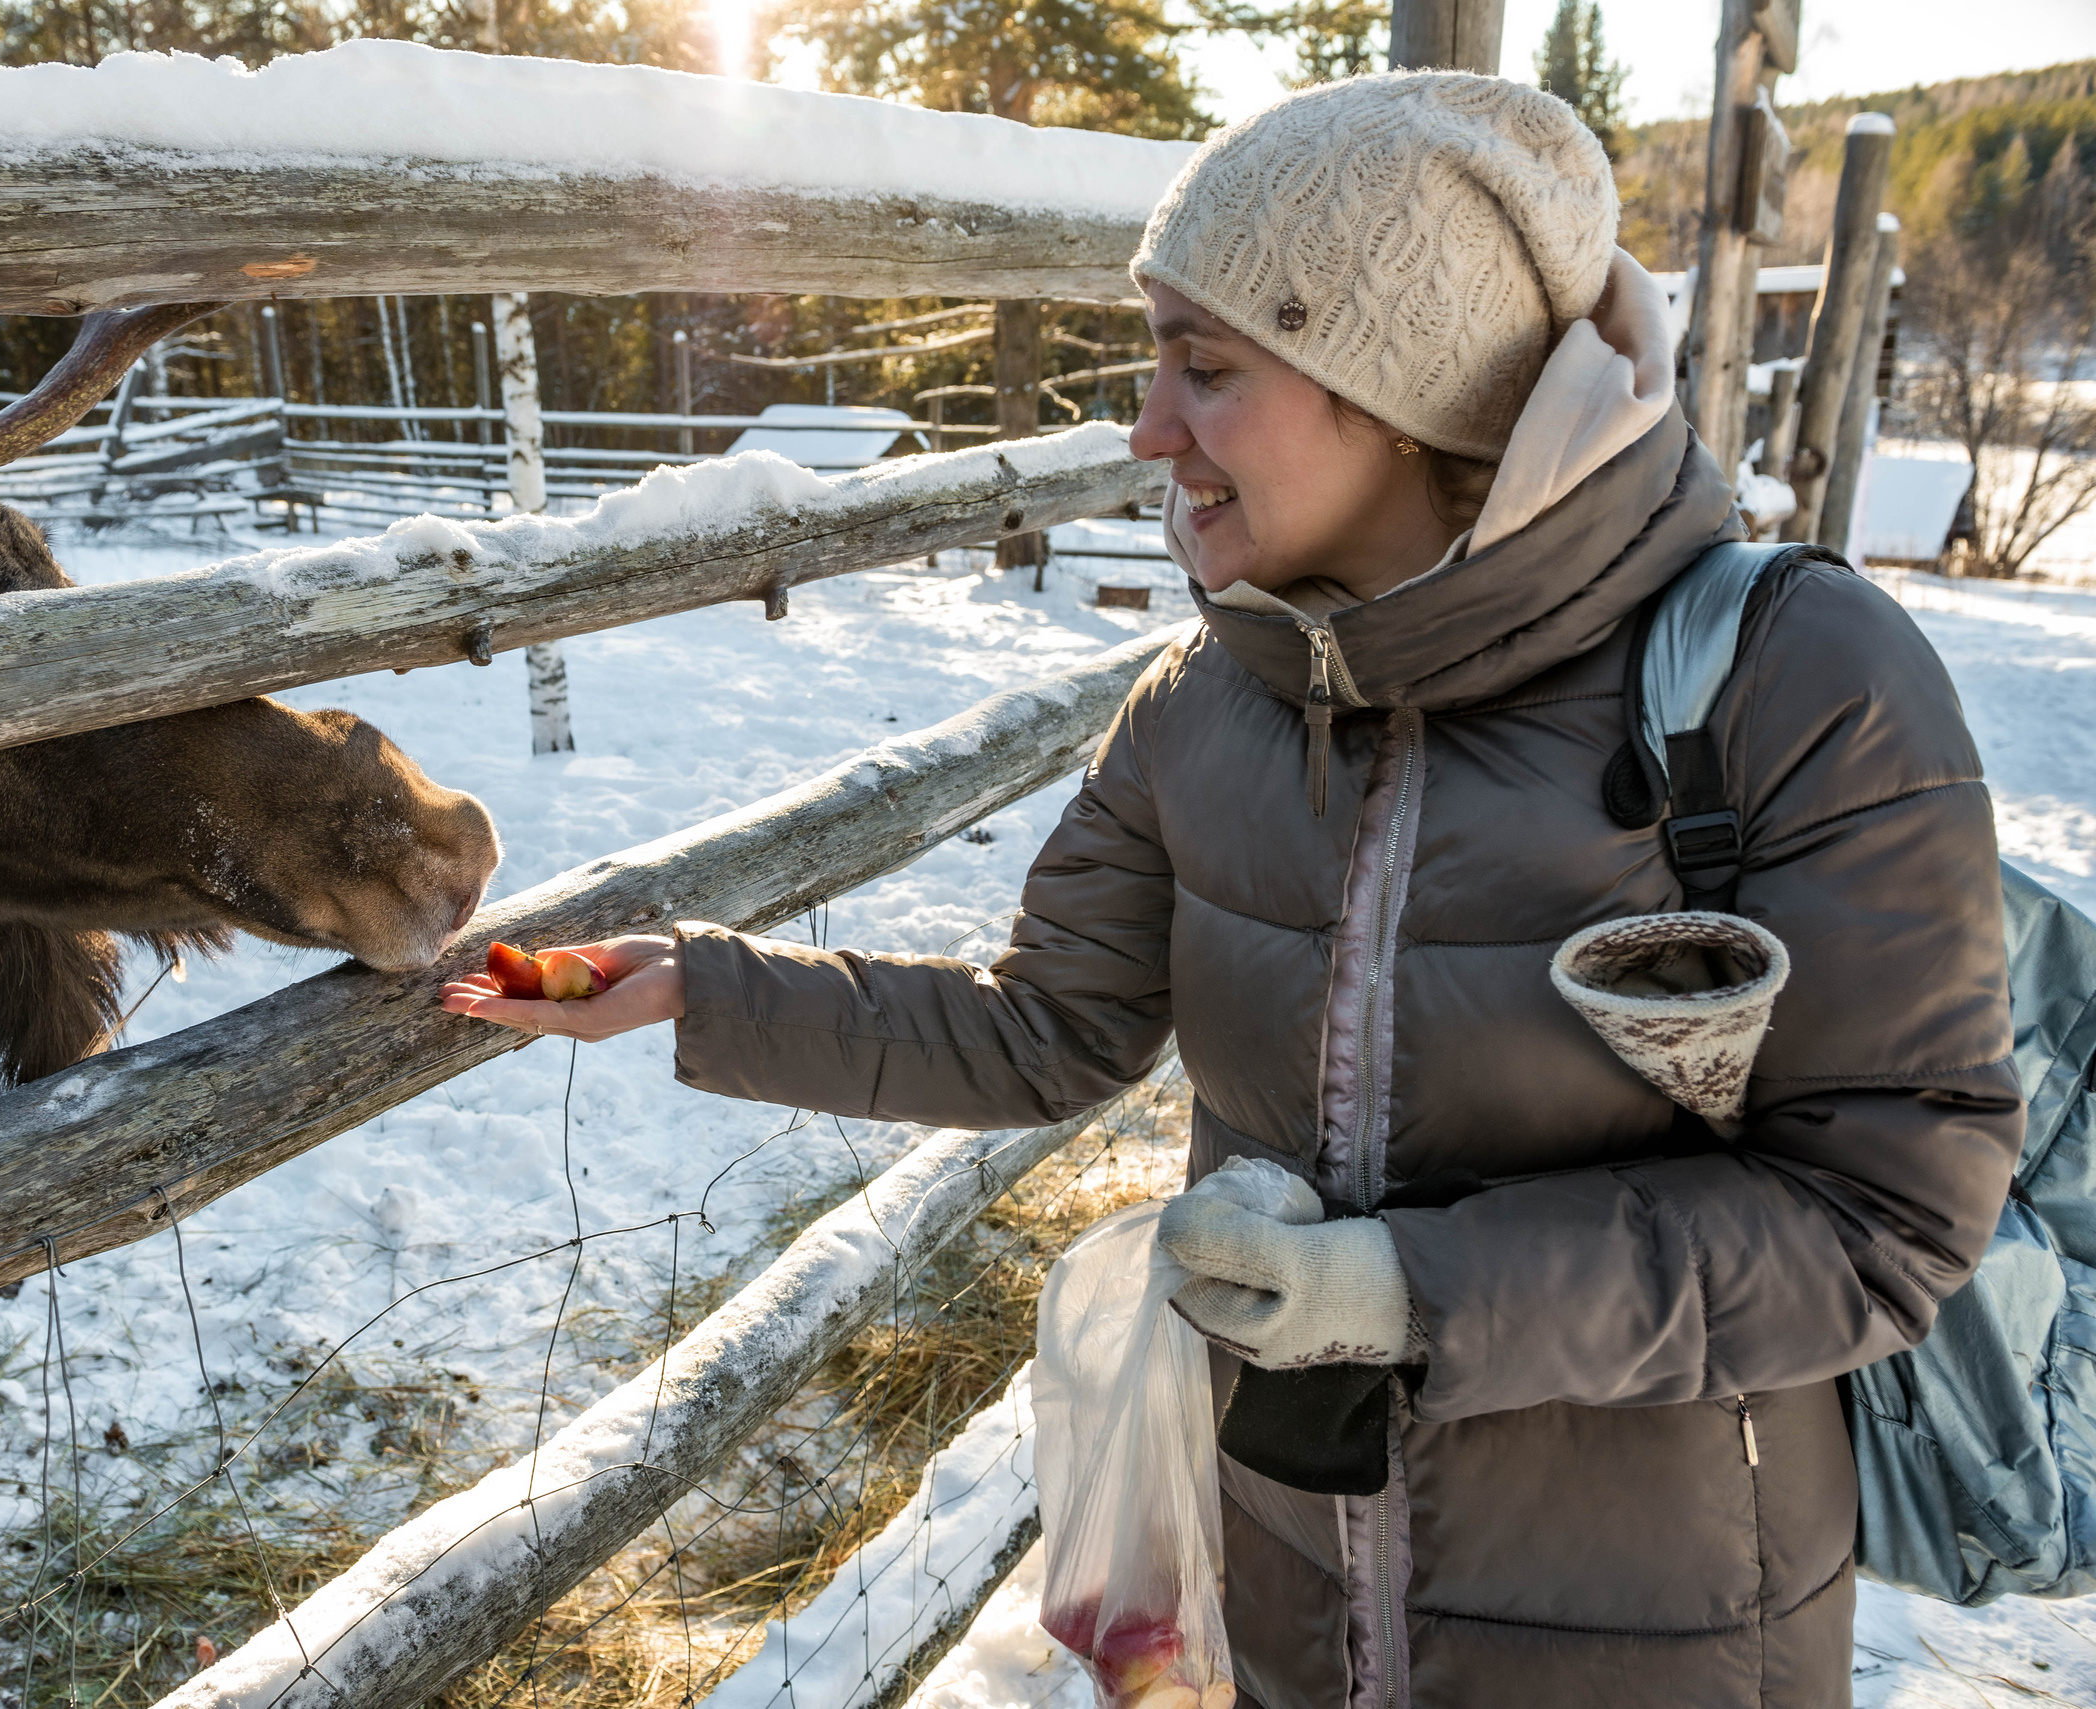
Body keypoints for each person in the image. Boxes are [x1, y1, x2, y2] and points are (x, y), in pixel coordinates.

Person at [441, 71, 2022, 1709]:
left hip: (1651, 1639)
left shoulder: (1794, 677)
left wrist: (1409, 1290)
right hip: (1289, 1602)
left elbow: (1885, 1216)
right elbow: (1049, 1026)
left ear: (1406, 392)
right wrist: (704, 985)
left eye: (1208, 368)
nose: (1147, 427)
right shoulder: (1210, 699)